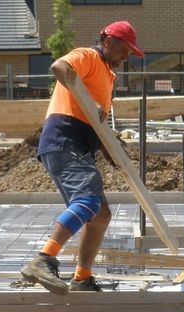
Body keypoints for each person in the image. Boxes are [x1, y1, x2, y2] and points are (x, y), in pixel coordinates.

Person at [20, 20, 144, 294]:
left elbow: (95, 122)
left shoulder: (108, 75)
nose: (127, 56)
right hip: (63, 138)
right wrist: (91, 100)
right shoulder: (88, 56)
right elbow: (59, 67)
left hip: (79, 143)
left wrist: (115, 154)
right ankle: (43, 259)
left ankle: (82, 278)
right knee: (87, 198)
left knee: (99, 215)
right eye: (125, 50)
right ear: (108, 41)